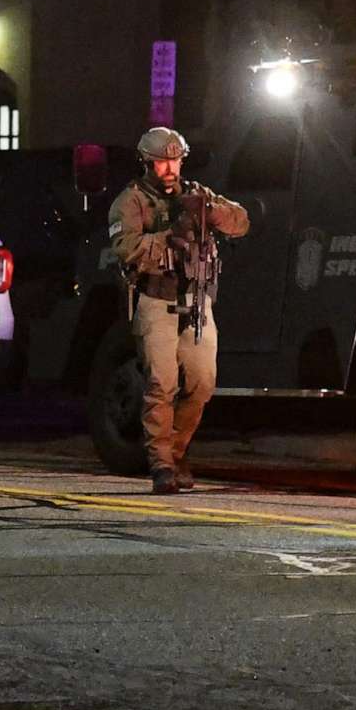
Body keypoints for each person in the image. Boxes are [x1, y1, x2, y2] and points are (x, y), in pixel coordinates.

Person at [109, 127, 251, 493]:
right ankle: (162, 466)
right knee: (162, 383)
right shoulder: (132, 201)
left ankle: (175, 451)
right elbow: (126, 249)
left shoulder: (195, 193)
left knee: (202, 383)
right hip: (156, 298)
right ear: (147, 163)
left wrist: (212, 213)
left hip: (197, 299)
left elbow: (242, 222)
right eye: (162, 162)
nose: (170, 168)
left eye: (175, 160)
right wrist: (167, 239)